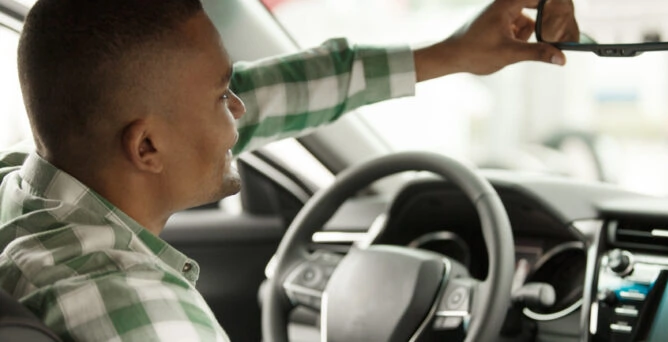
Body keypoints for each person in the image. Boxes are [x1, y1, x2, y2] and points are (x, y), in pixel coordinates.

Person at [0, 0, 578, 340]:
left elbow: (263, 97)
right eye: (223, 94)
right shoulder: (143, 310)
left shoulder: (21, 192)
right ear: (147, 147)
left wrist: (450, 55)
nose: (241, 111)